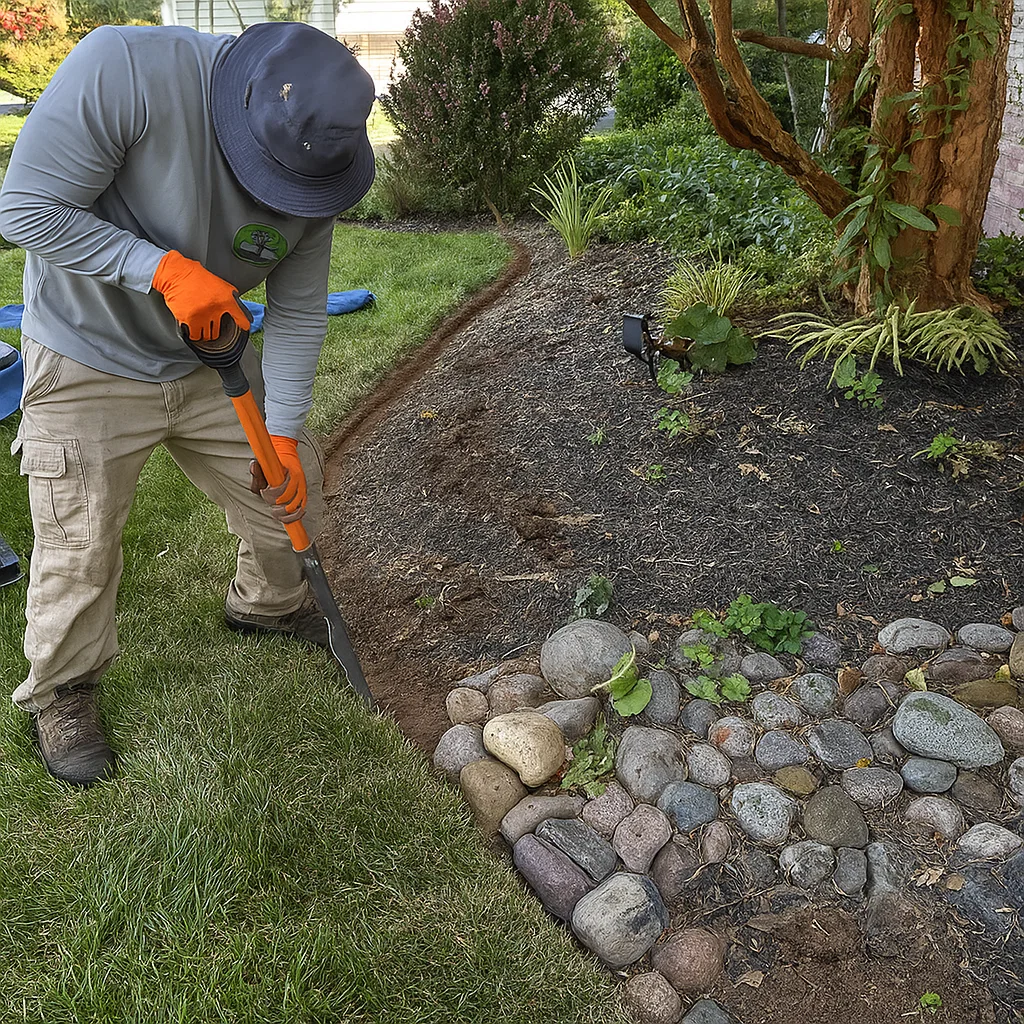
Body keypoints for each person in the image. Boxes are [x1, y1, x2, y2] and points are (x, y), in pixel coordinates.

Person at [0, 20, 376, 786]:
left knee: (291, 486)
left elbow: (299, 311)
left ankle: (266, 605)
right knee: (79, 540)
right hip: (87, 348)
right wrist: (162, 270)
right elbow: (24, 209)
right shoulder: (125, 69)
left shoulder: (320, 161)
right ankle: (64, 688)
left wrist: (282, 433)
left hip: (212, 356)